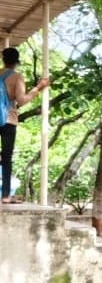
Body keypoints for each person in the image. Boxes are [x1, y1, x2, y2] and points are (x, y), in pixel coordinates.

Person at [0, 47, 50, 204]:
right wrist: (39, 87)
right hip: (8, 120)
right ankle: (6, 196)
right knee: (7, 157)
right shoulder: (16, 77)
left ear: (3, 60)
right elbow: (21, 100)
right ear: (16, 61)